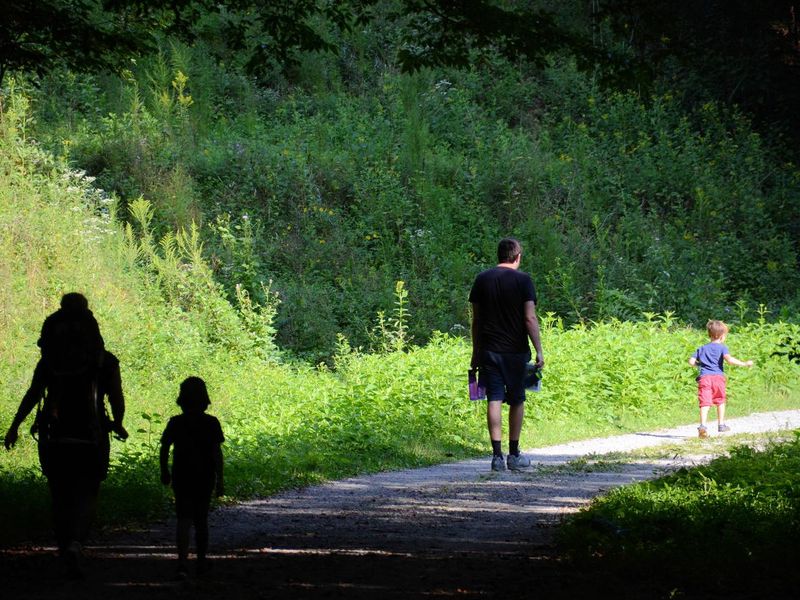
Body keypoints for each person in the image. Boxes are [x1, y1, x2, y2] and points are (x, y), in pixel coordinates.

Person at [4, 293, 127, 578]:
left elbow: (34, 394)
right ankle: (76, 544)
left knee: (59, 493)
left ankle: (63, 551)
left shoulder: (50, 361)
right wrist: (118, 423)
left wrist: (15, 426)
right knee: (88, 491)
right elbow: (116, 398)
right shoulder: (105, 361)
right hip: (92, 435)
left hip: (54, 434)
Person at [470, 238, 544, 471]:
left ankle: (496, 457)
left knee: (494, 398)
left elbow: (476, 321)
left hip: (489, 350)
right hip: (516, 351)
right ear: (518, 256)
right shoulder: (524, 280)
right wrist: (539, 350)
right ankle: (513, 454)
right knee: (517, 399)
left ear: (499, 255)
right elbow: (529, 318)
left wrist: (475, 352)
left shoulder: (482, 279)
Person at [160, 376, 225, 578]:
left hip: (182, 475)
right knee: (201, 519)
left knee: (183, 519)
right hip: (205, 476)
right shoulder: (211, 423)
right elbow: (217, 453)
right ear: (205, 399)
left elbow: (164, 448)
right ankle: (201, 561)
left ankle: (182, 561)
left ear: (182, 399)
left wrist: (164, 470)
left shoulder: (176, 422)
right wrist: (220, 479)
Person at [688, 320, 754, 438]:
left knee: (705, 402)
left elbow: (691, 362)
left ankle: (702, 426)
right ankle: (721, 425)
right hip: (718, 378)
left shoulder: (701, 348)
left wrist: (700, 365)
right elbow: (729, 360)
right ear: (722, 336)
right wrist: (744, 363)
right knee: (720, 400)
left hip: (704, 378)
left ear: (709, 334)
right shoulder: (722, 348)